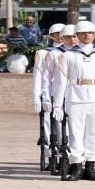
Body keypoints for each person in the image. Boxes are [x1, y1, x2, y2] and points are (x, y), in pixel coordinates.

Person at [52, 21, 95, 181]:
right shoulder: (67, 55)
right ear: (77, 35)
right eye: (83, 33)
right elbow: (60, 81)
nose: (87, 35)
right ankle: (77, 166)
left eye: (90, 33)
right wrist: (58, 104)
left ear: (94, 34)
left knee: (94, 133)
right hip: (75, 96)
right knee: (76, 134)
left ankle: (90, 167)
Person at [33, 23, 64, 170]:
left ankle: (65, 157)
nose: (61, 35)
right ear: (52, 35)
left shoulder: (72, 51)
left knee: (63, 126)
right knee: (48, 126)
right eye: (57, 33)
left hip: (65, 93)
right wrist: (37, 97)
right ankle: (51, 155)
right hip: (49, 93)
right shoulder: (43, 52)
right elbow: (38, 77)